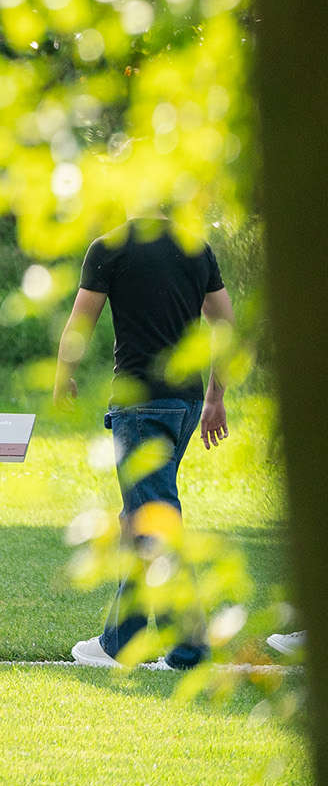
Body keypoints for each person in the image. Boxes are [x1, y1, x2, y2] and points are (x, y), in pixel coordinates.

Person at [56, 220, 233, 670]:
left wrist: (63, 377)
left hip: (140, 407)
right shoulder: (197, 247)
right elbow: (226, 324)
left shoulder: (108, 248)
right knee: (138, 518)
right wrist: (216, 395)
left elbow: (80, 325)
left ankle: (189, 649)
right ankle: (120, 640)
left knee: (156, 521)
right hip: (187, 406)